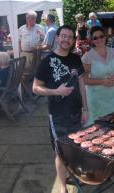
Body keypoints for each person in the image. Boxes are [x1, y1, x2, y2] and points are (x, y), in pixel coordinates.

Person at [32, 25, 88, 193]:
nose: (66, 39)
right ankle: (62, 186)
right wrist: (56, 91)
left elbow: (81, 83)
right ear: (57, 37)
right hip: (58, 115)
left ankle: (73, 175)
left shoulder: (76, 58)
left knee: (76, 146)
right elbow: (35, 87)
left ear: (73, 40)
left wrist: (85, 108)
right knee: (61, 152)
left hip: (76, 111)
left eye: (70, 37)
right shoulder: (46, 62)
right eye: (63, 36)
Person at [81, 26, 114, 125]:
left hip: (113, 97)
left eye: (101, 36)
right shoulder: (88, 56)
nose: (99, 39)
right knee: (97, 130)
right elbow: (84, 79)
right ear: (92, 40)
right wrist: (102, 81)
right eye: (95, 38)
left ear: (105, 37)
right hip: (96, 99)